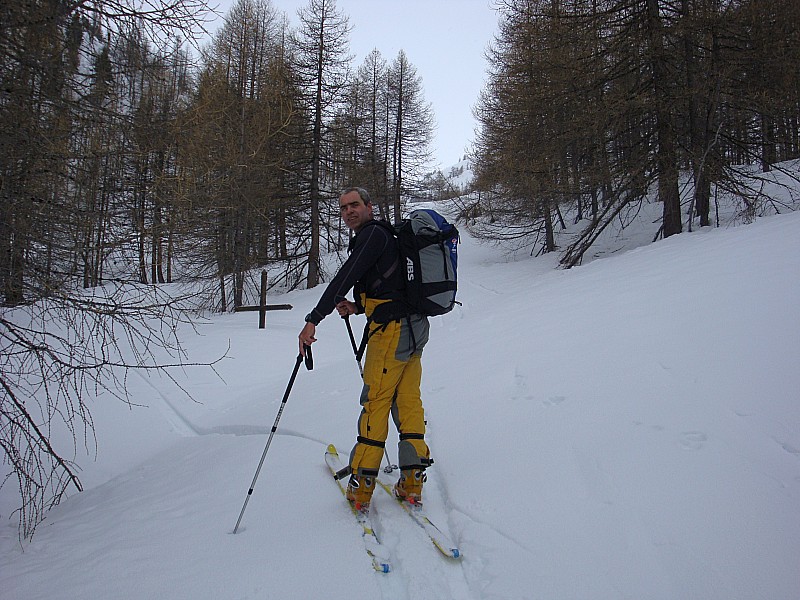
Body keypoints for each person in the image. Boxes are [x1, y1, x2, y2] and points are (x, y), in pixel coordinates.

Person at [299, 187, 432, 512]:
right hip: (414, 328)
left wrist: (313, 319)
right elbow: (391, 284)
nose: (349, 212)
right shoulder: (388, 236)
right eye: (344, 208)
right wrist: (359, 307)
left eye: (354, 205)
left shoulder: (373, 234)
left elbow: (345, 276)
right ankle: (412, 481)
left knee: (375, 401)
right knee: (408, 401)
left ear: (369, 206)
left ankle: (362, 484)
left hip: (391, 334)